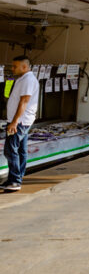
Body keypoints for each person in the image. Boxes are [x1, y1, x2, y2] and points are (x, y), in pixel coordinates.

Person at [2, 55, 39, 192]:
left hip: (20, 122)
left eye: (14, 66)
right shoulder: (22, 79)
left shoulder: (28, 80)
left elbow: (24, 101)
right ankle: (16, 179)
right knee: (21, 150)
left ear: (24, 66)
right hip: (21, 121)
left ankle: (15, 180)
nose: (12, 69)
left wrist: (14, 122)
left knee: (10, 150)